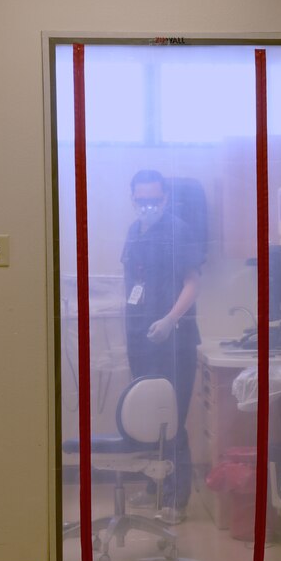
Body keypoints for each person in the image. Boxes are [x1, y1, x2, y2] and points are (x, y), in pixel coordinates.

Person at [121, 169, 204, 524]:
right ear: (133, 198)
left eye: (154, 200)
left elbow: (192, 282)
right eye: (141, 200)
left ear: (166, 198)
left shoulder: (178, 231)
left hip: (175, 340)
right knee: (146, 415)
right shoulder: (134, 231)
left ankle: (175, 499)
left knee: (170, 417)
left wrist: (170, 320)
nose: (147, 206)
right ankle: (154, 487)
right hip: (142, 338)